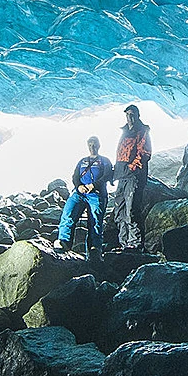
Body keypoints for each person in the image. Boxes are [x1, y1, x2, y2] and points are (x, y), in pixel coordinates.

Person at [55, 136, 113, 262]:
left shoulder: (105, 161)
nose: (92, 147)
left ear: (99, 145)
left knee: (95, 221)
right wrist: (79, 186)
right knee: (68, 213)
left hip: (96, 194)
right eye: (90, 145)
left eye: (94, 144)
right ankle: (63, 241)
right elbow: (75, 176)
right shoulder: (82, 161)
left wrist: (94, 185)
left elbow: (107, 175)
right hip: (80, 193)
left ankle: (94, 249)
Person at [112, 104, 152, 251]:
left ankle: (135, 244)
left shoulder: (142, 131)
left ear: (138, 115)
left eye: (132, 114)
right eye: (127, 114)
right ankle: (124, 243)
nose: (130, 117)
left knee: (131, 210)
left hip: (134, 176)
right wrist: (116, 172)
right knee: (120, 210)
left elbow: (144, 153)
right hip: (122, 176)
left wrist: (132, 167)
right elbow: (120, 153)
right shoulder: (124, 132)